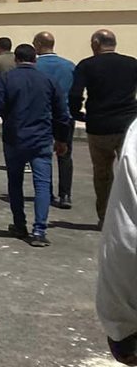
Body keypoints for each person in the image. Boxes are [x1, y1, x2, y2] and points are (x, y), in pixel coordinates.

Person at [0, 44, 71, 247]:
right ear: (35, 59)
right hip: (41, 139)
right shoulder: (48, 80)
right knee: (42, 185)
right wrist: (61, 139)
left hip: (14, 139)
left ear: (16, 60)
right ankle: (39, 231)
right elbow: (61, 113)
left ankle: (19, 224)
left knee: (15, 182)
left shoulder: (6, 79)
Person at [70, 29, 137, 226]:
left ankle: (105, 218)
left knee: (102, 174)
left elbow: (75, 94)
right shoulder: (132, 63)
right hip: (128, 126)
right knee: (132, 171)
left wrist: (77, 113)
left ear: (96, 44)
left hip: (99, 126)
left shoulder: (86, 65)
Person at [95, 121, 137, 365]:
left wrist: (121, 326)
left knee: (102, 175)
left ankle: (101, 213)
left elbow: (127, 238)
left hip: (99, 128)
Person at [33, 31, 78, 210]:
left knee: (43, 156)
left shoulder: (34, 66)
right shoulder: (69, 66)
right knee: (65, 155)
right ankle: (65, 194)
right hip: (65, 116)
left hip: (41, 117)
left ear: (38, 44)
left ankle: (47, 192)